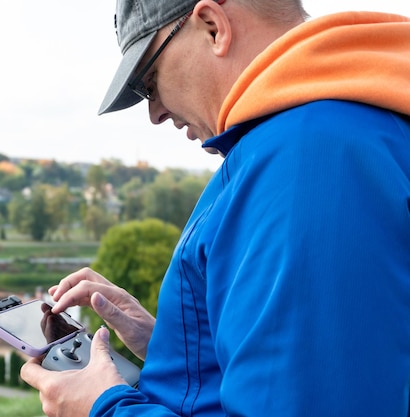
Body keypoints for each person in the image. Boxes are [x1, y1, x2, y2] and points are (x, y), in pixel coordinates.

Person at [21, 0, 410, 415]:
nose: (154, 112)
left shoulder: (310, 159)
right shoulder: (339, 132)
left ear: (212, 26)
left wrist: (102, 408)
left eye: (149, 81)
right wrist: (184, 349)